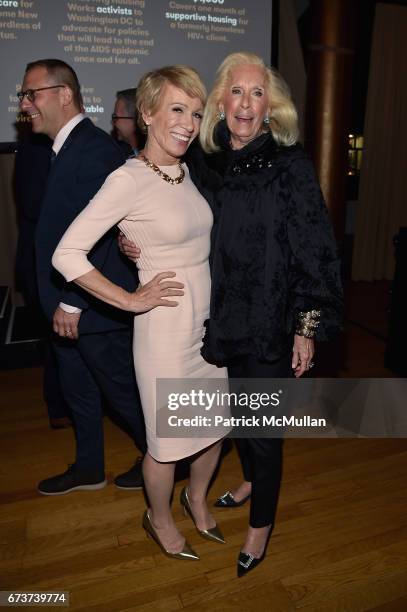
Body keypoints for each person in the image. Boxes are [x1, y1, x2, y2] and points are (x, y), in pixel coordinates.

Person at [52, 65, 228, 560]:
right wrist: (130, 299)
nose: (189, 123)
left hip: (208, 327)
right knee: (168, 443)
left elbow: (179, 233)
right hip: (165, 333)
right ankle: (160, 516)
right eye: (177, 109)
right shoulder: (126, 179)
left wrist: (142, 246)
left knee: (214, 427)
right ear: (147, 113)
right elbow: (67, 254)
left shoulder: (185, 170)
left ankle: (197, 498)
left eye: (195, 113)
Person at [199, 51, 343, 576]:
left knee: (264, 428)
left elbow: (316, 250)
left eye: (256, 93)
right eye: (236, 91)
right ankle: (251, 479)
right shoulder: (209, 162)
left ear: (270, 108)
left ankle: (261, 527)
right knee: (241, 418)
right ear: (221, 100)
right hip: (221, 317)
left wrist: (306, 329)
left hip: (268, 322)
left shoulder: (290, 165)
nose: (245, 102)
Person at [18, 58, 147, 495]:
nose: (25, 104)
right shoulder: (65, 149)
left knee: (123, 393)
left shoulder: (95, 151)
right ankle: (90, 467)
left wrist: (74, 302)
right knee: (79, 391)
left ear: (65, 94)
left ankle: (166, 460)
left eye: (31, 93)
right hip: (66, 306)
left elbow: (108, 236)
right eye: (23, 95)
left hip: (91, 307)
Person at [14, 127, 72, 429]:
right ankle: (61, 406)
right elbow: (37, 206)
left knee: (58, 341)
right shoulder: (36, 149)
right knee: (59, 340)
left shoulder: (35, 147)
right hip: (48, 263)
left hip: (47, 262)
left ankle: (65, 406)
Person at [111, 88, 143, 156]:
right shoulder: (116, 156)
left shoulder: (156, 158)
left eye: (115, 117)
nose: (113, 122)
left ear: (135, 118)